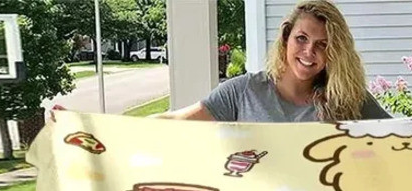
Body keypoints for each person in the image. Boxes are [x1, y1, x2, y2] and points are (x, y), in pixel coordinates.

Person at [157, 0, 391, 123]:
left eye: (322, 44)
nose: (309, 51)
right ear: (286, 37)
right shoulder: (243, 92)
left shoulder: (348, 98)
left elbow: (398, 136)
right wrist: (132, 129)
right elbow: (177, 122)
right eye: (301, 38)